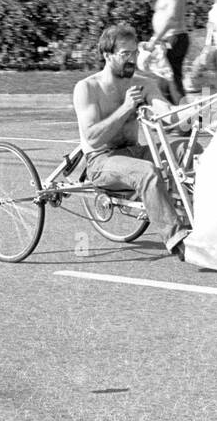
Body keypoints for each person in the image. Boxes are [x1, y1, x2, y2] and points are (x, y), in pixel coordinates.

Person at [73, 24, 189, 258]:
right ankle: (178, 240)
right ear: (107, 55)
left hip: (133, 152)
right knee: (147, 172)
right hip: (102, 160)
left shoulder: (143, 84)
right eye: (125, 54)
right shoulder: (87, 88)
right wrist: (126, 107)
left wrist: (205, 112)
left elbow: (168, 116)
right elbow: (93, 139)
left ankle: (201, 221)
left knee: (188, 149)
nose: (132, 59)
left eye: (135, 53)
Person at [142, 0, 187, 103]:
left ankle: (185, 118)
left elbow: (173, 19)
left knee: (172, 80)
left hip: (174, 39)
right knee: (163, 81)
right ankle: (169, 115)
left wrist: (155, 39)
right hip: (165, 40)